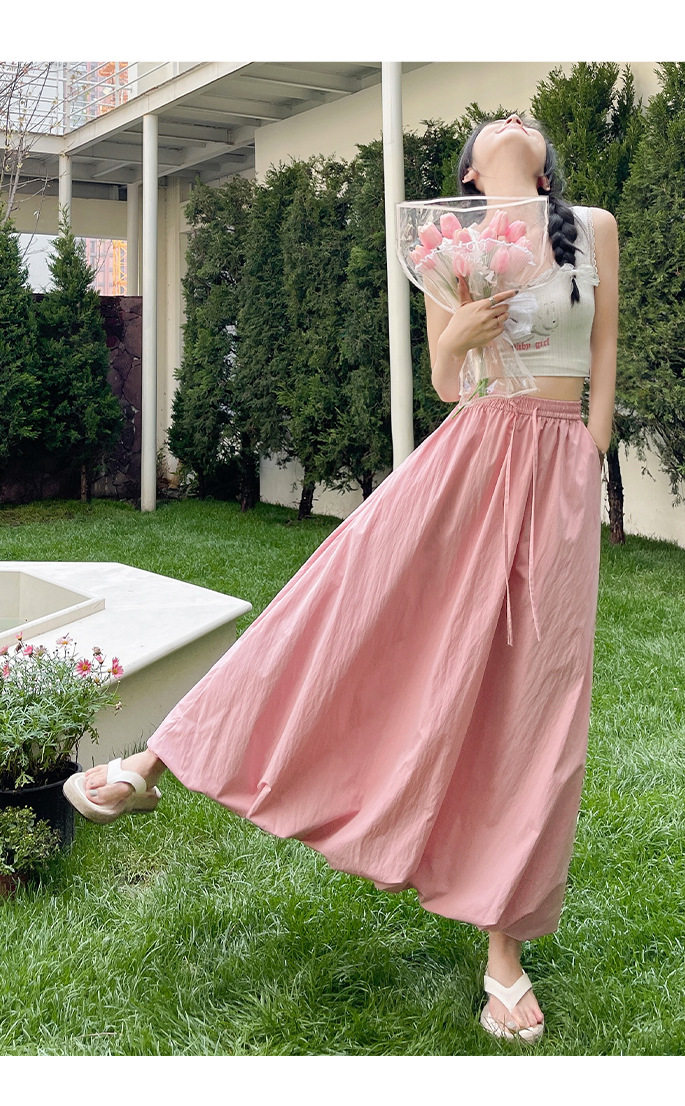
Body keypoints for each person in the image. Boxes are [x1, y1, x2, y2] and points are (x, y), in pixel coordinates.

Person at [64, 113, 618, 1045]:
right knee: (335, 605)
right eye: (494, 127)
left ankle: (504, 953)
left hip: (557, 466)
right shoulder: (445, 240)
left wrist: (590, 449)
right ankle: (153, 762)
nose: (514, 121)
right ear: (470, 174)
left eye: (523, 121)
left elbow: (604, 351)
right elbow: (447, 382)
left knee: (537, 699)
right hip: (473, 458)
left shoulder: (591, 228)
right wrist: (461, 331)